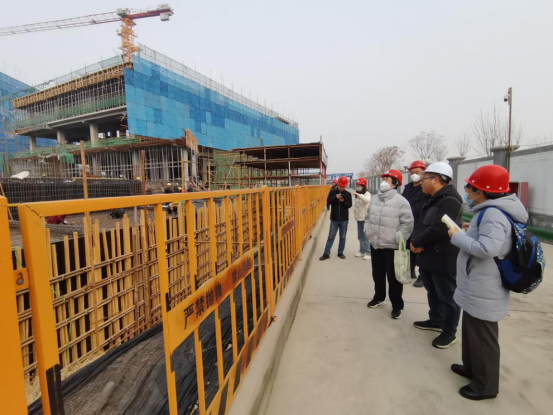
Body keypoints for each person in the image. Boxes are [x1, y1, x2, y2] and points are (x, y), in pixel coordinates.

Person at [448, 165, 527, 401]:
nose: (467, 192)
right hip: (478, 281)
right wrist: (469, 232)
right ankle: (471, 368)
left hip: (485, 284)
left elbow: (487, 249)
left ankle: (485, 386)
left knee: (483, 337)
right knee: (472, 330)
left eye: (470, 188)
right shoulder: (492, 210)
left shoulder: (493, 213)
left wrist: (457, 237)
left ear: (481, 191)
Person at [410, 162, 463, 349]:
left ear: (437, 179)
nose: (421, 181)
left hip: (442, 257)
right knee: (432, 291)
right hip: (429, 256)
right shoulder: (433, 199)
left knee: (447, 296)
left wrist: (417, 242)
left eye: (424, 178)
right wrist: (416, 240)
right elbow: (423, 224)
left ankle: (449, 332)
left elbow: (440, 228)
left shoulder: (450, 201)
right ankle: (436, 320)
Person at [364, 169, 413, 319]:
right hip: (376, 244)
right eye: (384, 179)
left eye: (388, 179)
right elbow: (368, 216)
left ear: (395, 183)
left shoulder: (401, 201)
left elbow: (408, 224)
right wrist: (367, 230)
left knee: (394, 278)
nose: (384, 182)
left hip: (391, 246)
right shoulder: (375, 199)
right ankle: (379, 297)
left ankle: (397, 305)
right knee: (377, 274)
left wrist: (398, 238)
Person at [402, 160, 427, 287]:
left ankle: (422, 275)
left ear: (423, 173)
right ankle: (410, 270)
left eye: (417, 172)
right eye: (412, 172)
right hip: (407, 221)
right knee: (408, 247)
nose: (414, 175)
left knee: (419, 248)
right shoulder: (408, 187)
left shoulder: (425, 188)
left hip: (420, 222)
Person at [320, 176, 352, 260]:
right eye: (340, 186)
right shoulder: (332, 192)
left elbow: (349, 205)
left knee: (342, 237)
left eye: (343, 186)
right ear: (338, 184)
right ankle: (326, 253)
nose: (342, 188)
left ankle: (340, 252)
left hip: (344, 219)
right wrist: (335, 197)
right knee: (331, 236)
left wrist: (343, 201)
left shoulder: (348, 194)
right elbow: (328, 201)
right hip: (334, 219)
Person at [353, 177, 371, 260]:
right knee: (360, 236)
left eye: (359, 185)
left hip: (365, 219)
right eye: (357, 185)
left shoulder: (367, 193)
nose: (357, 187)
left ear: (363, 186)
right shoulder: (358, 194)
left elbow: (367, 200)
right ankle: (362, 251)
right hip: (359, 218)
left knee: (365, 236)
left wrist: (359, 195)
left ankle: (368, 252)